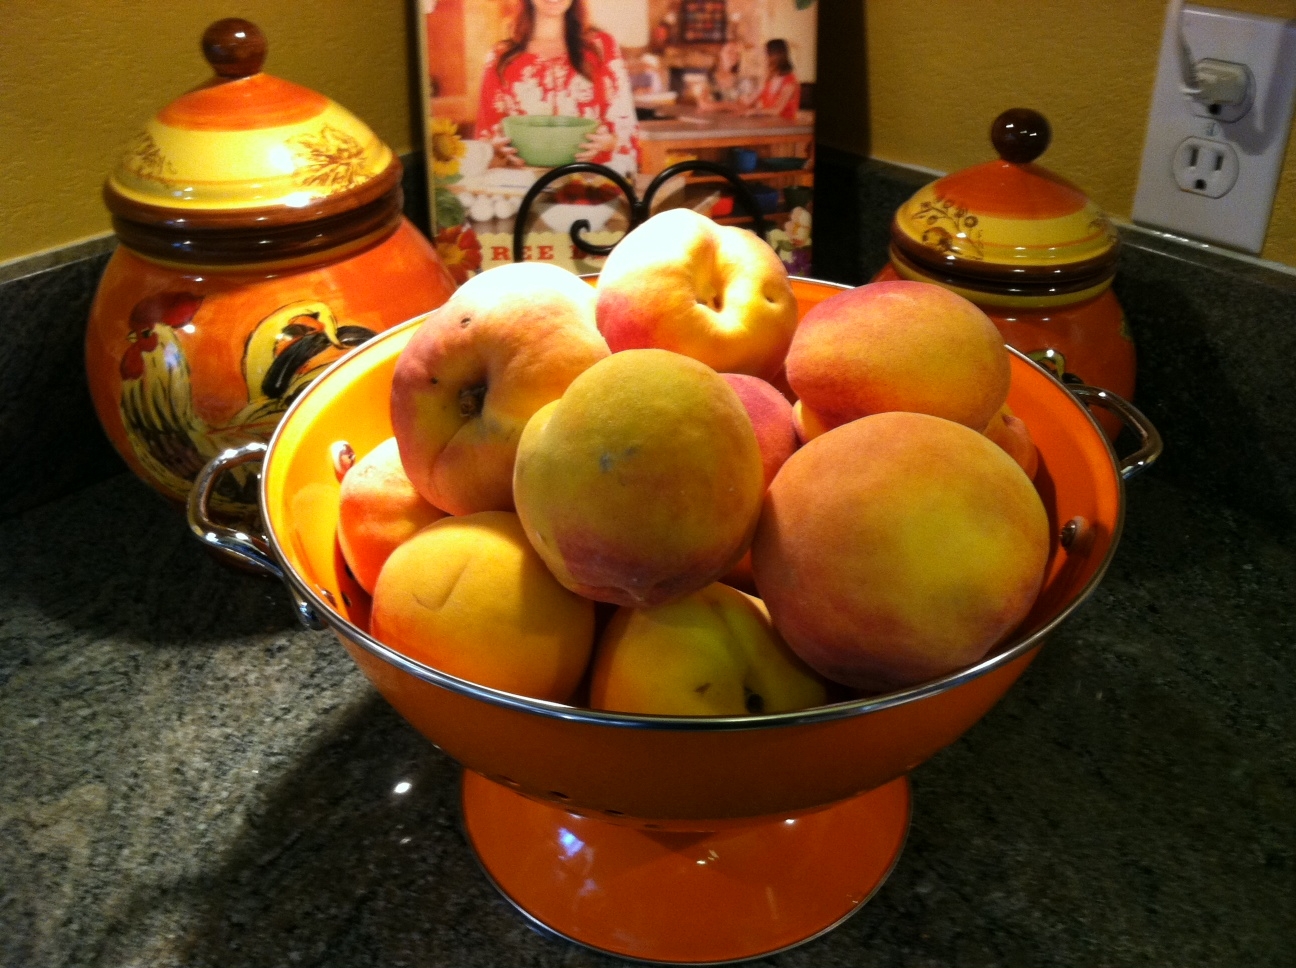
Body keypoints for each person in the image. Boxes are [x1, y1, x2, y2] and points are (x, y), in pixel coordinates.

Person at [475, 0, 640, 176]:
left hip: (590, 181)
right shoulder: (500, 57)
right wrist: (496, 151)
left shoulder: (601, 47)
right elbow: (485, 141)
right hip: (524, 184)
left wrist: (608, 142)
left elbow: (626, 129)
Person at [741, 38, 800, 122]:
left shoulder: (790, 81)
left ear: (775, 56)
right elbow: (749, 100)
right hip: (769, 124)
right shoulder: (769, 78)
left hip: (785, 126)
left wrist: (755, 111)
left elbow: (776, 110)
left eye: (765, 53)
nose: (763, 57)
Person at [696, 41, 745, 113]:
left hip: (732, 119)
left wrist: (713, 106)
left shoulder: (739, 79)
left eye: (737, 53)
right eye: (730, 52)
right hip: (712, 118)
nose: (734, 56)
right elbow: (703, 104)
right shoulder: (710, 77)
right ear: (720, 54)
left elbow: (742, 107)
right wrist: (729, 106)